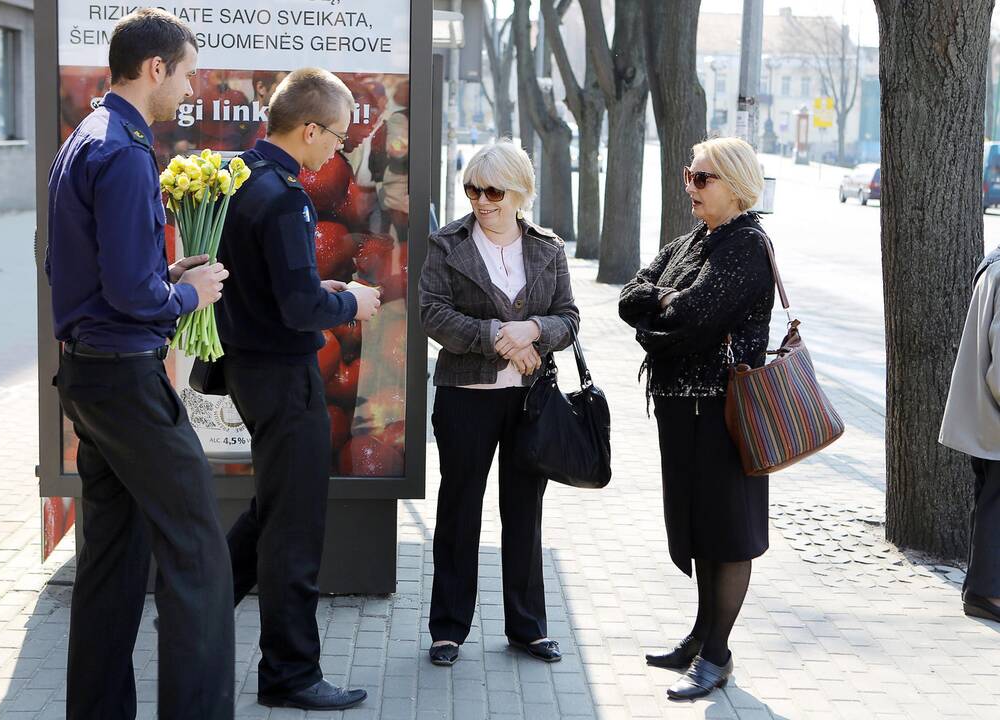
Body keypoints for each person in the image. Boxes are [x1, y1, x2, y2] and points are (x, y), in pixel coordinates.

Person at [45, 9, 234, 719]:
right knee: (198, 557)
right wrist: (188, 291)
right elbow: (129, 292)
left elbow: (86, 270)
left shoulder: (84, 138)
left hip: (91, 375)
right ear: (155, 68)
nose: (190, 88)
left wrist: (166, 272)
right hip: (124, 379)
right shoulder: (124, 150)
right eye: (187, 74)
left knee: (112, 561)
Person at [214, 67, 381, 711]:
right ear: (309, 129)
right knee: (295, 527)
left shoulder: (237, 179)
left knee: (271, 510)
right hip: (285, 377)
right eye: (336, 137)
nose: (338, 149)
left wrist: (325, 296)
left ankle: (195, 607)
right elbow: (296, 304)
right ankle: (290, 673)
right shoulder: (286, 196)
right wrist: (349, 302)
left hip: (250, 371)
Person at [618, 137, 774, 700]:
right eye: (689, 175)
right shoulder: (691, 242)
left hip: (727, 409)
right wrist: (664, 306)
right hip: (681, 405)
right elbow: (629, 298)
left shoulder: (747, 245)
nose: (690, 187)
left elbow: (697, 316)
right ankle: (699, 635)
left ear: (735, 184)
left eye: (702, 179)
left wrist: (662, 308)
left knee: (727, 531)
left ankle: (717, 653)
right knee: (696, 525)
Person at [418, 141, 579, 667]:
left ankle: (528, 627)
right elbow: (432, 314)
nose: (482, 201)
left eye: (494, 191)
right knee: (459, 510)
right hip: (465, 398)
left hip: (530, 402)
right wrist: (497, 336)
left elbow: (569, 316)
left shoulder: (548, 248)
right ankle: (448, 630)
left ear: (519, 192)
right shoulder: (446, 243)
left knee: (524, 511)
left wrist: (534, 328)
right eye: (473, 190)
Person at [939, 247, 1000, 623]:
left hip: (984, 416)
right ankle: (986, 593)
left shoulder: (995, 262)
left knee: (991, 501)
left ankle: (983, 589)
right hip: (993, 416)